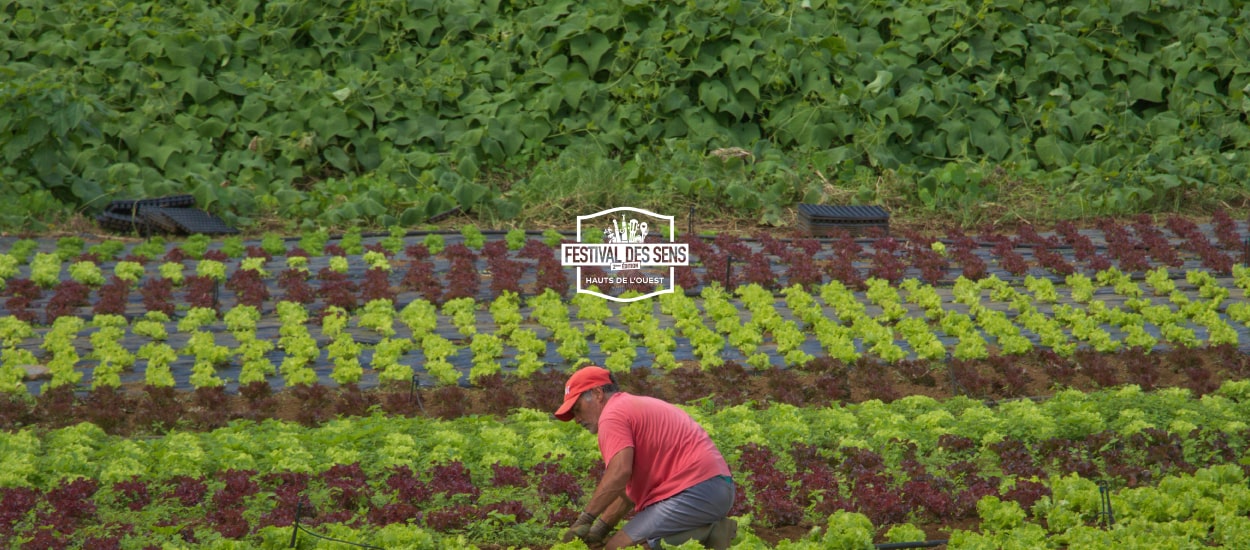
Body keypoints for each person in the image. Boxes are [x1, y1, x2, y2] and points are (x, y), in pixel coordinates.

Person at [554, 365, 737, 549]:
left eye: (577, 409)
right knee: (630, 542)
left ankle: (709, 534)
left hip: (694, 491)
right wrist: (600, 529)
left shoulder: (612, 415)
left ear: (597, 393)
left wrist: (585, 520)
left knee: (618, 548)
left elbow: (619, 473)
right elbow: (628, 492)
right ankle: (700, 532)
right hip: (716, 488)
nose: (577, 419)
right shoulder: (630, 406)